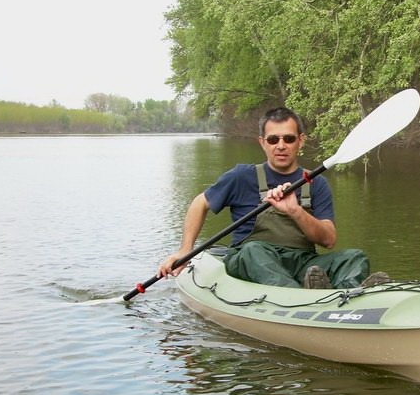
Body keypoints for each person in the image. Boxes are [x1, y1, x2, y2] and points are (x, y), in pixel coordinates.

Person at [158, 106, 389, 289]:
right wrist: (184, 250)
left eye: (288, 139)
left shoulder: (316, 182)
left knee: (354, 257)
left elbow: (329, 240)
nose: (281, 146)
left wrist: (295, 211)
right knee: (254, 250)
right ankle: (305, 299)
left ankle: (346, 294)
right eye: (273, 139)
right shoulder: (241, 176)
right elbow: (200, 203)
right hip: (251, 258)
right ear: (262, 143)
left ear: (301, 141)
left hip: (302, 263)